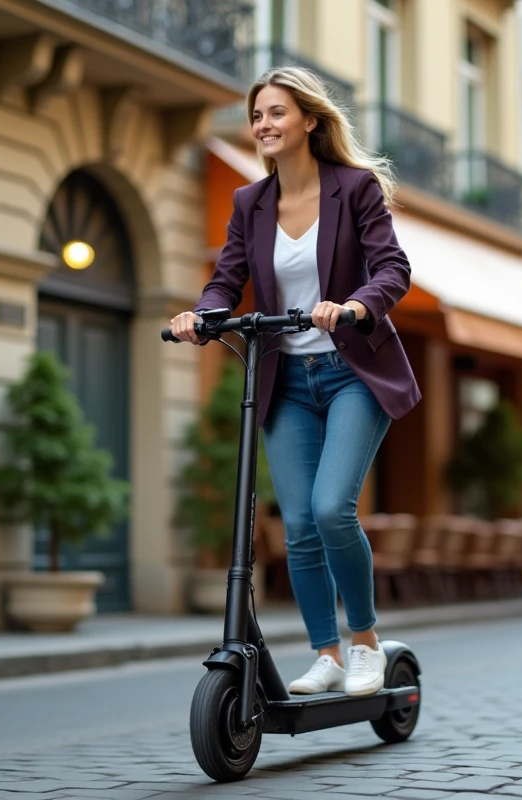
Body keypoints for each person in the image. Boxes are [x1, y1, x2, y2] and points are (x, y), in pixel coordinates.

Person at [169, 67, 420, 697]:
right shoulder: (249, 204)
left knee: (334, 508)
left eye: (276, 113)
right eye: (257, 116)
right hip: (286, 379)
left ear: (309, 120)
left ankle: (364, 642)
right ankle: (327, 654)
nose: (263, 125)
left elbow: (393, 267)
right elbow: (228, 279)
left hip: (351, 373)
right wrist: (202, 316)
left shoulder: (355, 189)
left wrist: (357, 306)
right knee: (300, 525)